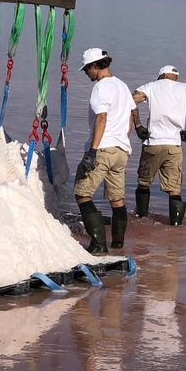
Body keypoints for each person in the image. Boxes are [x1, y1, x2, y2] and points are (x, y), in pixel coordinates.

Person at [75, 48, 135, 254]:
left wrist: (92, 151)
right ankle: (118, 245)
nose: (86, 74)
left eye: (86, 69)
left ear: (95, 66)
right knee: (117, 199)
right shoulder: (123, 86)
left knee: (82, 194)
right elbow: (130, 116)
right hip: (121, 150)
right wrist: (123, 139)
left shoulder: (101, 87)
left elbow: (101, 118)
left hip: (102, 148)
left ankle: (98, 245)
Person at [131, 64, 186, 225]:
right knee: (174, 189)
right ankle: (176, 227)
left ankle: (141, 219)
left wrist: (137, 126)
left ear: (161, 76)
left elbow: (132, 100)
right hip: (174, 145)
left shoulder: (151, 86)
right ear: (176, 78)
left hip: (153, 143)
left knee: (144, 183)